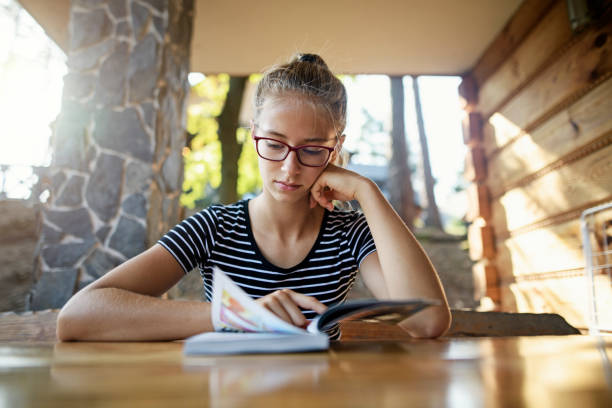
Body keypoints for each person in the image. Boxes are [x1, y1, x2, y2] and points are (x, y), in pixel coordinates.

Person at [57, 53, 451, 341]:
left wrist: (367, 191)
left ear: (337, 149)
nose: (289, 168)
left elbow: (428, 322)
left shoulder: (349, 234)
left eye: (313, 149)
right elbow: (77, 316)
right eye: (275, 144)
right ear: (253, 135)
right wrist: (238, 315)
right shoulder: (215, 227)